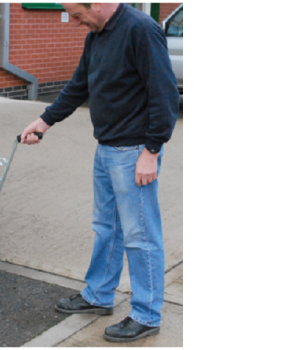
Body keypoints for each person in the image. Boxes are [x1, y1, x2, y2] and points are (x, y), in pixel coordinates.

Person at [20, 3, 179, 344]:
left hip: (135, 151)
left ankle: (146, 314)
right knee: (107, 227)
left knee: (140, 236)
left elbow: (164, 94)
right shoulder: (97, 34)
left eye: (78, 14)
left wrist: (152, 151)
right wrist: (44, 120)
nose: (76, 23)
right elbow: (80, 85)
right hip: (106, 148)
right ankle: (99, 295)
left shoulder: (141, 30)